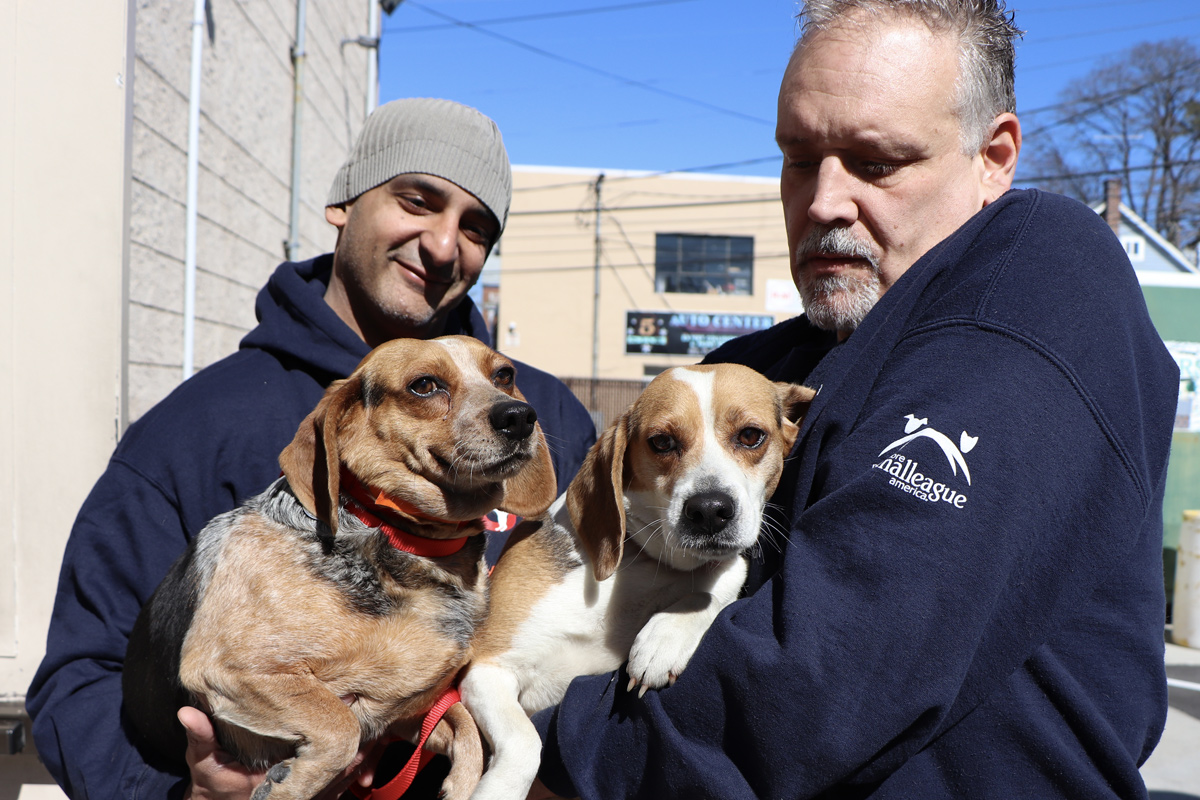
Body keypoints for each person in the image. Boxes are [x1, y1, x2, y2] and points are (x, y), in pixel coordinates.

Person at [528, 1, 1180, 798]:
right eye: (799, 158)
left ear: (993, 157)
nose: (824, 201)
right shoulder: (754, 372)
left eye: (876, 162)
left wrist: (548, 753)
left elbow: (829, 673)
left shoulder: (1038, 276)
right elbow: (566, 566)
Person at [27, 97, 597, 800]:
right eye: (417, 201)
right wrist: (185, 796)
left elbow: (598, 633)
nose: (445, 245)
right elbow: (78, 681)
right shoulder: (197, 428)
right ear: (343, 203)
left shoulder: (540, 421)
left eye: (475, 229)